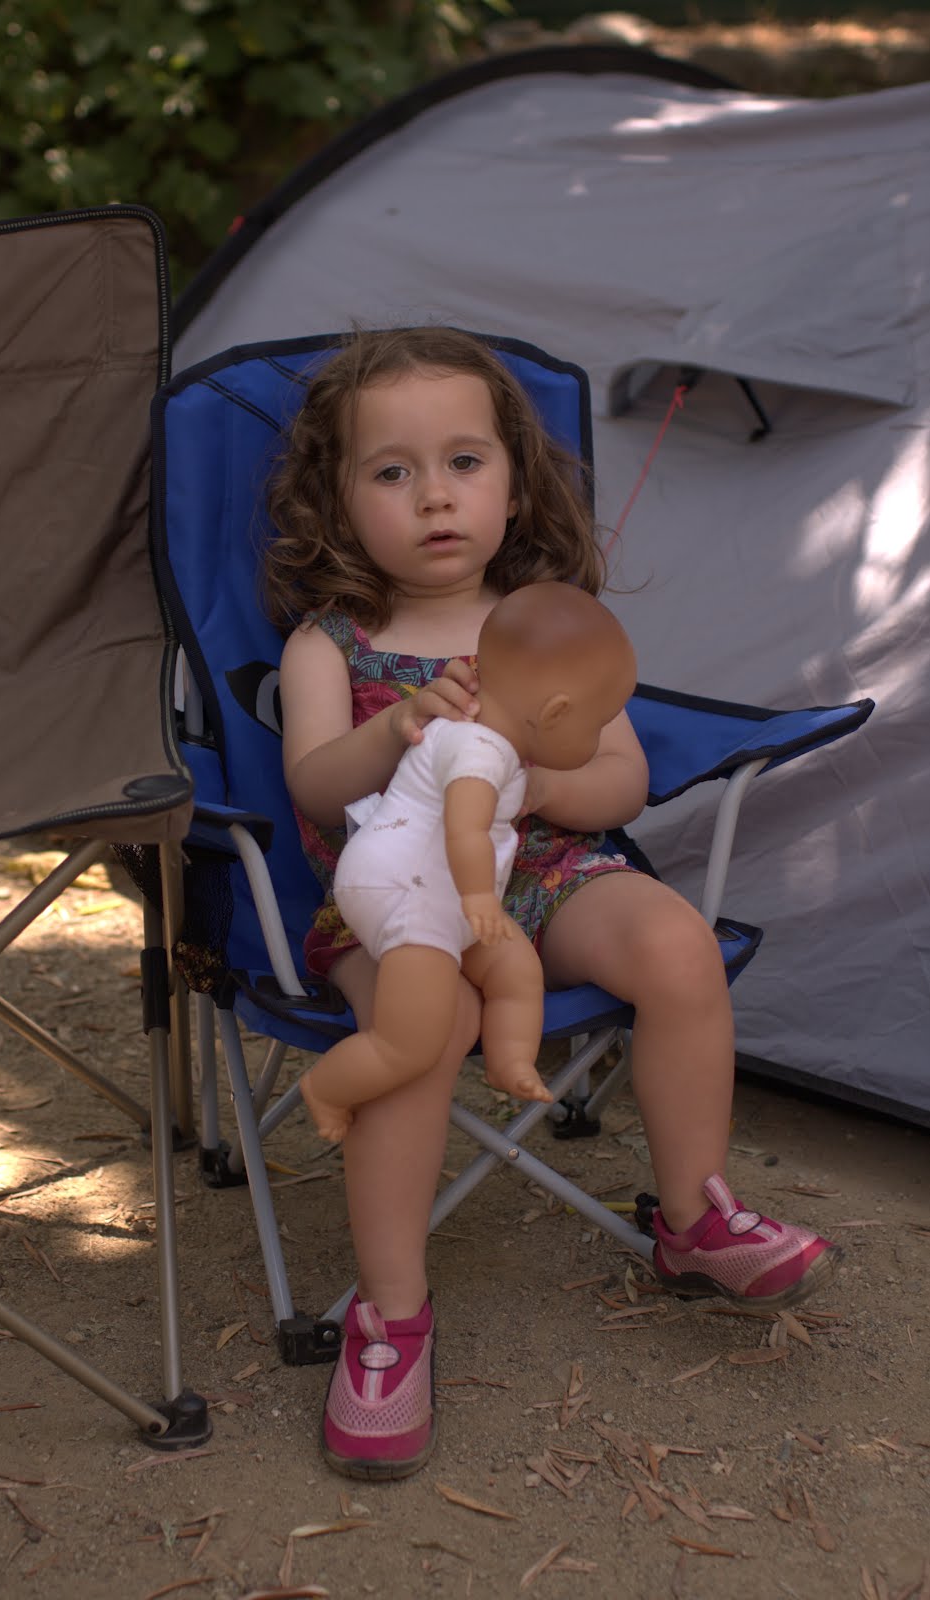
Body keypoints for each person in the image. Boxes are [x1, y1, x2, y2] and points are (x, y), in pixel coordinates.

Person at [263, 326, 841, 1483]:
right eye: (393, 471)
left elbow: (621, 779)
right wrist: (397, 727)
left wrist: (537, 778)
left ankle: (694, 1217)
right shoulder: (329, 644)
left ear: (516, 485)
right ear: (338, 501)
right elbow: (313, 787)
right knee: (425, 1029)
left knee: (675, 944)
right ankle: (389, 1318)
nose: (435, 496)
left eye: (464, 462)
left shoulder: (549, 622)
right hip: (399, 897)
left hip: (548, 868)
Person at [299, 582, 638, 1143]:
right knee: (413, 1040)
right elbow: (465, 828)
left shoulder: (489, 733)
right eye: (595, 724)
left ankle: (509, 1060)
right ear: (555, 713)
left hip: (444, 888)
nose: (598, 737)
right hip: (405, 891)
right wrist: (481, 899)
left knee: (515, 969)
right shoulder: (482, 751)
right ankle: (329, 1087)